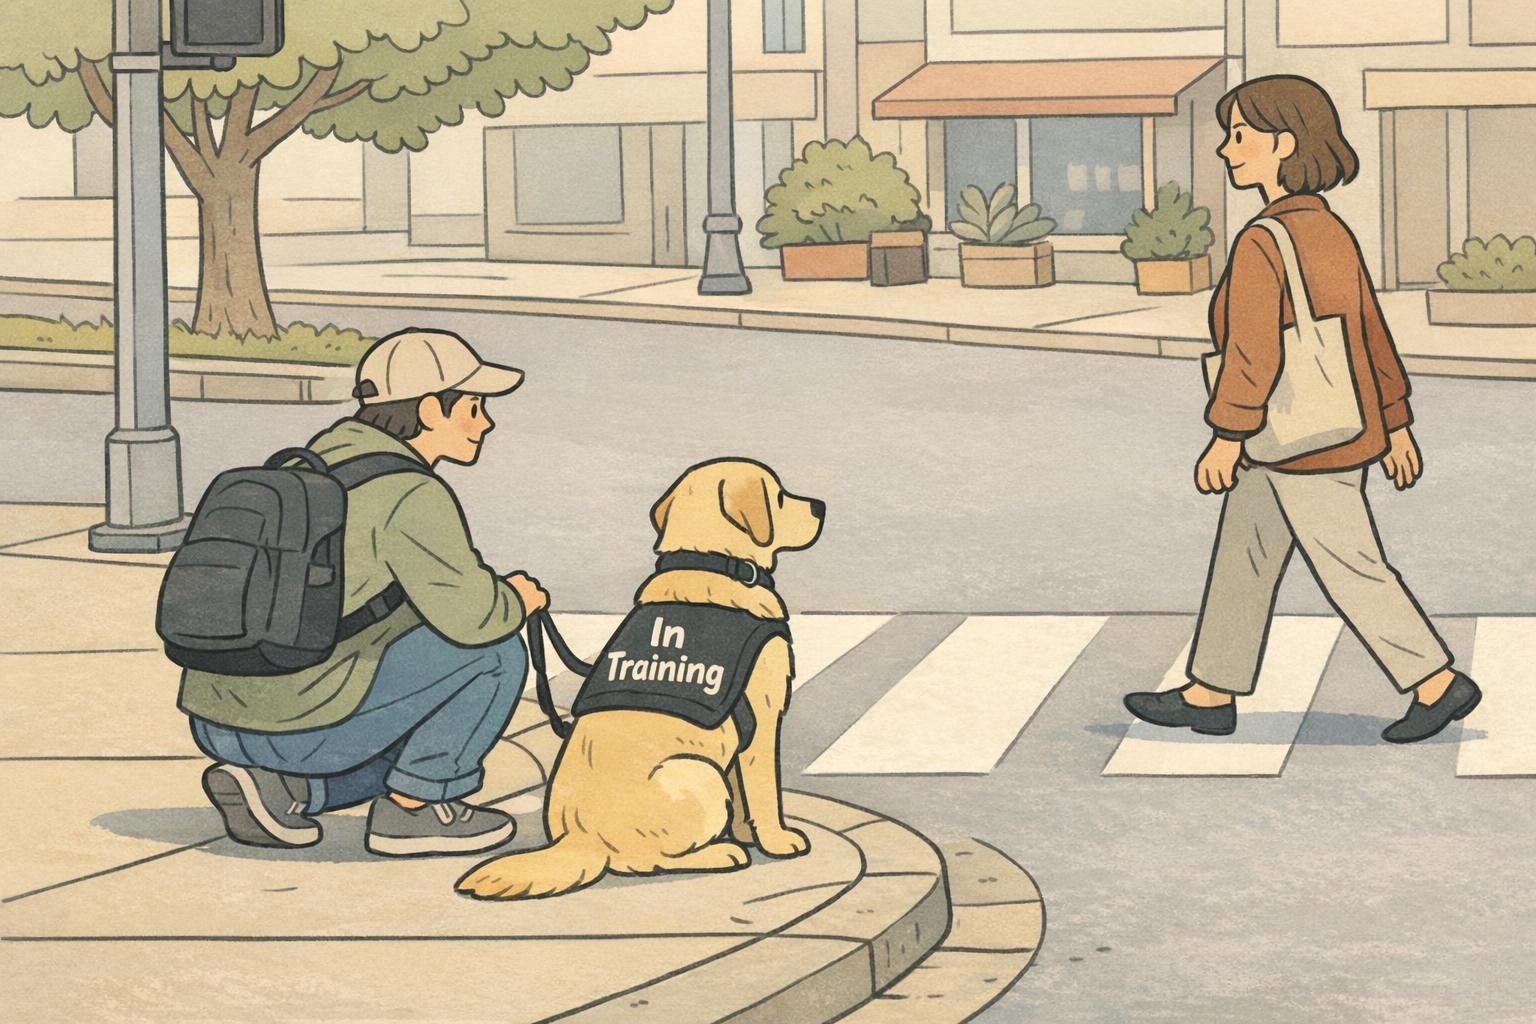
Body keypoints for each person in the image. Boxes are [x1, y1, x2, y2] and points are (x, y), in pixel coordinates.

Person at [1124, 75, 1482, 743]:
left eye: (1239, 136)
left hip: (1301, 442)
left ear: (1283, 143)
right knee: (1245, 555)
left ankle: (1436, 682)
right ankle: (1210, 691)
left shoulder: (1264, 240)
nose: (1227, 150)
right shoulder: (1329, 230)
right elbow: (1369, 328)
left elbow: (1253, 352)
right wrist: (1395, 420)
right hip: (1314, 434)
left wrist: (1226, 435)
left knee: (1351, 564)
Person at [180, 328, 551, 855]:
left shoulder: (306, 464)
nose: (485, 422)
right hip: (296, 732)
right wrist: (519, 599)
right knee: (494, 655)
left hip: (216, 718)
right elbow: (476, 618)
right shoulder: (410, 492)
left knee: (412, 692)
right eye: (473, 407)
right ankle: (414, 812)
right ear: (430, 410)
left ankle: (283, 791)